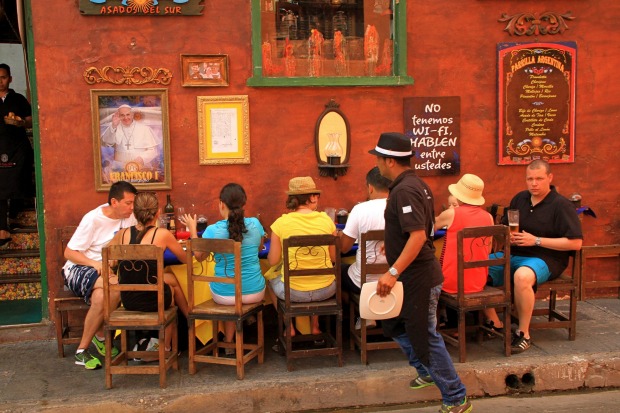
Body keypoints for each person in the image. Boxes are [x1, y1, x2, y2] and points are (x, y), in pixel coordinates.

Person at [369, 132, 472, 413]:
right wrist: (393, 249)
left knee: (424, 336)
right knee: (393, 324)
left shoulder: (404, 190)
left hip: (418, 277)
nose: (376, 164)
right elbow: (421, 232)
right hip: (412, 272)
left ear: (389, 160)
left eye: (378, 158)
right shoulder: (416, 185)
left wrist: (392, 270)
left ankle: (455, 396)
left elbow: (417, 236)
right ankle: (426, 370)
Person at [488, 159, 583, 354]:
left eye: (539, 178)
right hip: (514, 252)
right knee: (475, 268)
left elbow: (576, 243)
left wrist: (536, 240)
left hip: (547, 258)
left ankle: (523, 333)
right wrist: (507, 235)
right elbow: (505, 226)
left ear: (550, 177)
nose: (534, 183)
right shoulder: (520, 199)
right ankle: (494, 322)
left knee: (522, 276)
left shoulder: (561, 205)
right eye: (530, 179)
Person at [181, 183, 266, 355]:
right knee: (238, 287)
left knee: (228, 286)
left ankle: (228, 342)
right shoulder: (256, 224)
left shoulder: (213, 230)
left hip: (224, 296)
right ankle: (230, 340)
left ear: (221, 204)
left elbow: (198, 256)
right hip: (255, 292)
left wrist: (192, 229)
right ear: (244, 203)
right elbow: (259, 247)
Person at [62, 181, 138, 370]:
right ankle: (100, 336)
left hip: (104, 271)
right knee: (114, 286)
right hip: (78, 268)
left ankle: (82, 350)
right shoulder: (93, 218)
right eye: (128, 203)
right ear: (114, 201)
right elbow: (69, 253)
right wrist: (95, 264)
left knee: (104, 295)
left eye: (133, 203)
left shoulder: (130, 217)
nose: (132, 207)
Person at [107, 192, 191, 354]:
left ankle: (163, 344)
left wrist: (111, 273)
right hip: (154, 301)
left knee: (170, 280)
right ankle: (167, 346)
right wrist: (193, 234)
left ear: (134, 213)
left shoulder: (122, 234)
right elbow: (185, 259)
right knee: (171, 292)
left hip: (129, 299)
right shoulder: (163, 234)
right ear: (158, 212)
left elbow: (107, 254)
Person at [267, 176, 337, 341]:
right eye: (316, 195)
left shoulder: (280, 224)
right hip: (326, 290)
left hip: (293, 293)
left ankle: (289, 327)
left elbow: (273, 261)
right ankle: (315, 326)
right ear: (312, 197)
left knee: (270, 280)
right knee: (319, 274)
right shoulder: (327, 221)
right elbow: (333, 258)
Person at [435, 173, 501, 331]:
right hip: (478, 280)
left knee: (431, 277)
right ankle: (462, 325)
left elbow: (431, 226)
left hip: (452, 281)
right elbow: (489, 248)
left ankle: (442, 326)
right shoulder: (489, 217)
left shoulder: (451, 213)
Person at [338, 167, 391, 329]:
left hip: (363, 282)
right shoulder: (400, 207)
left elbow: (345, 248)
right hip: (395, 278)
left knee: (337, 270)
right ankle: (374, 312)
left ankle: (365, 313)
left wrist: (340, 235)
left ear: (370, 187)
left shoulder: (360, 210)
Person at [0, 63, 34, 245]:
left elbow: (30, 120)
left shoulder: (18, 99)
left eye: (3, 77)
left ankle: (14, 216)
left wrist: (21, 122)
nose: (0, 82)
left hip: (17, 147)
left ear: (10, 79)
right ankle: (2, 227)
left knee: (18, 178)